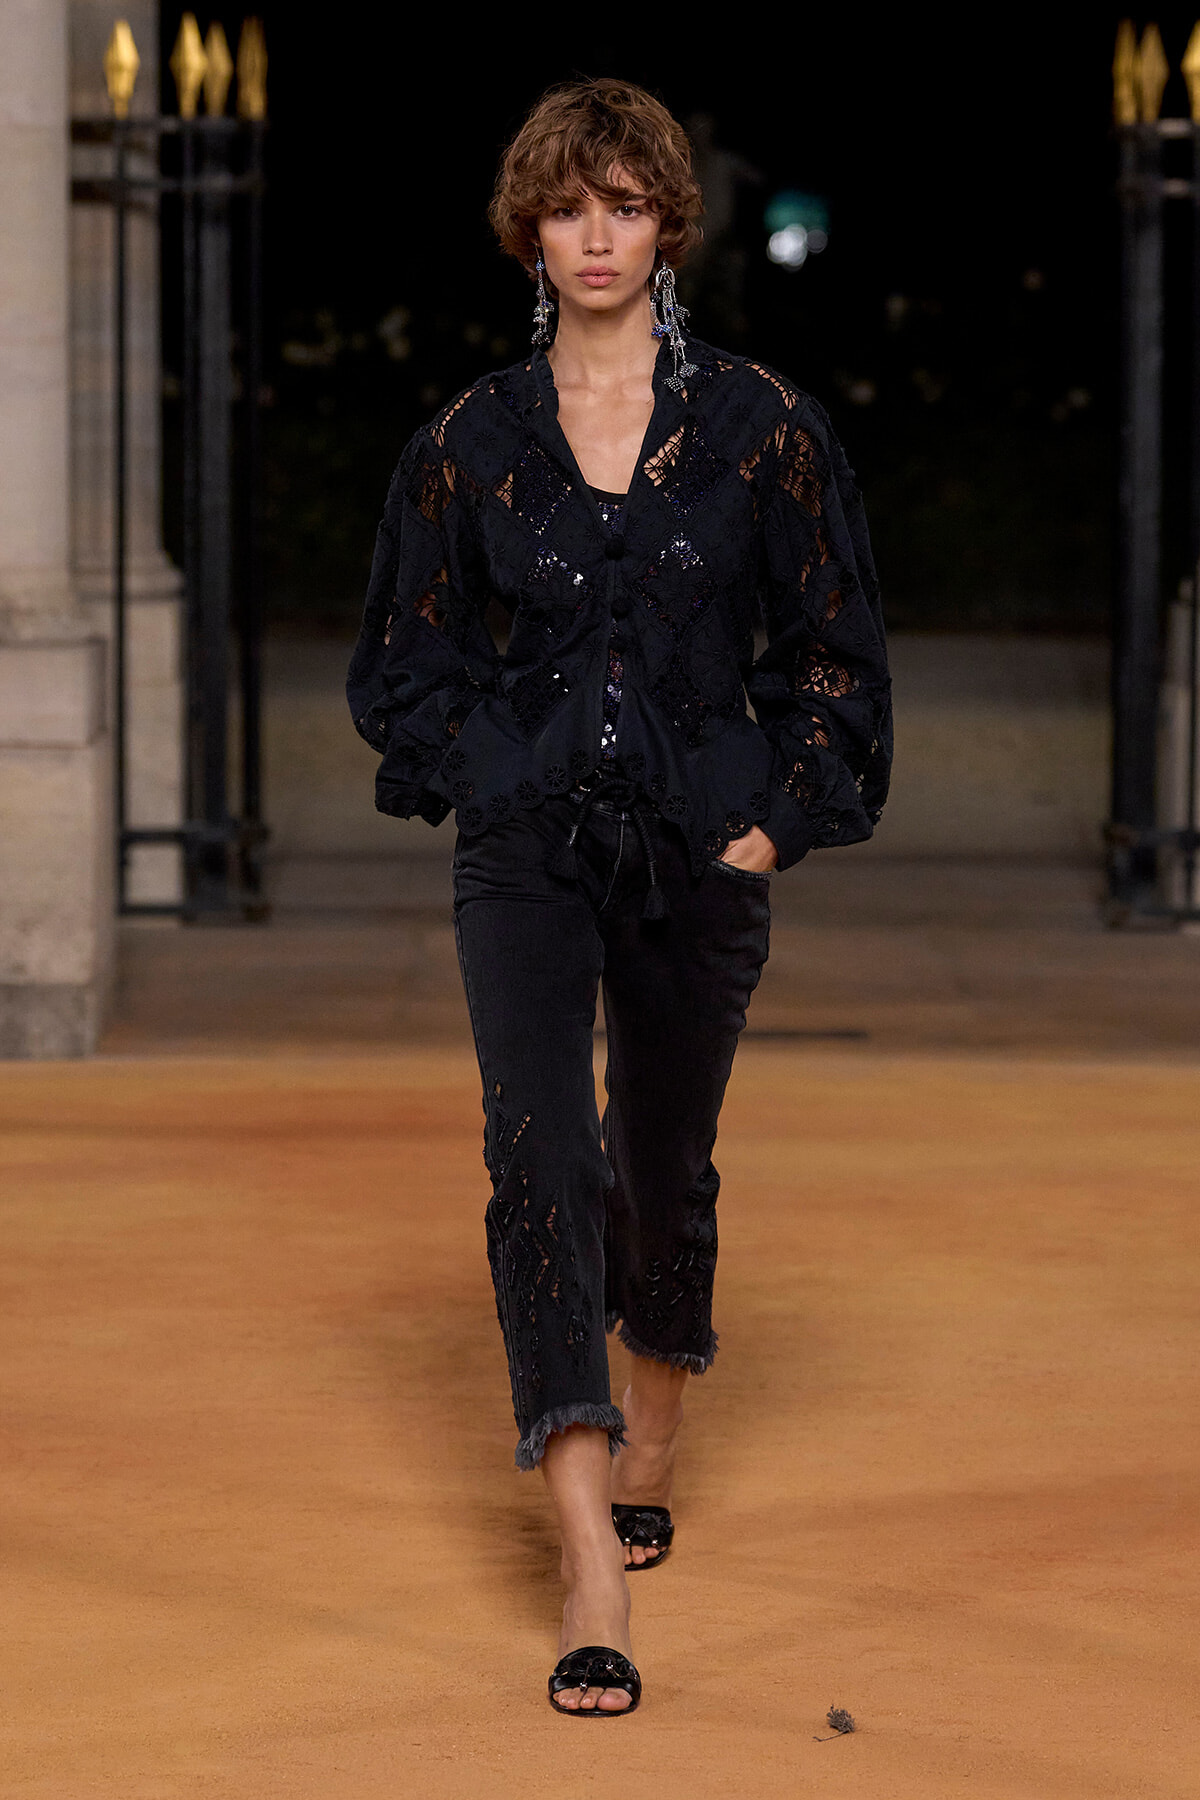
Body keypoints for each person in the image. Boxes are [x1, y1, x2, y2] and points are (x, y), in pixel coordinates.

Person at [346, 77, 892, 1717]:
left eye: (627, 206)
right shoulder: (469, 443)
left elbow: (835, 650)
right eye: (570, 208)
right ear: (530, 232)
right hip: (525, 852)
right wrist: (492, 771)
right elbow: (404, 660)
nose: (598, 236)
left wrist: (772, 825)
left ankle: (656, 1427)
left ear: (669, 227)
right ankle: (586, 1553)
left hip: (695, 840)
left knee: (660, 1165)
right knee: (542, 1156)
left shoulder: (762, 428)